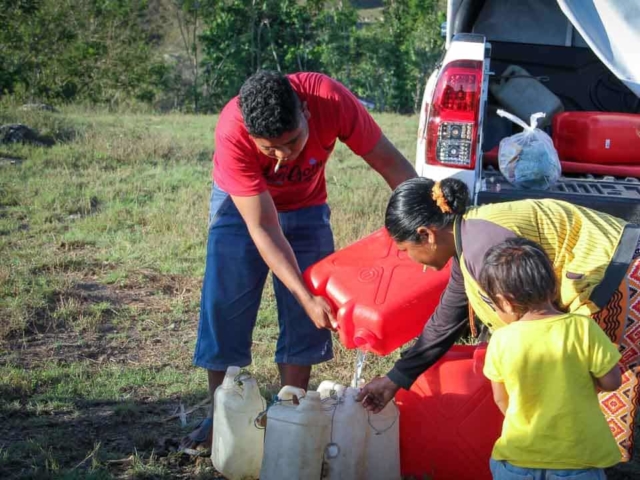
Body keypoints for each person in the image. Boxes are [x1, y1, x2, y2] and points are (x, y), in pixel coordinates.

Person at [182, 70, 416, 449]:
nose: (282, 156)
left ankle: (290, 414)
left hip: (307, 206)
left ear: (305, 111)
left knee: (308, 314)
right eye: (269, 148)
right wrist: (305, 295)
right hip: (242, 210)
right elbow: (263, 228)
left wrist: (425, 219)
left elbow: (391, 164)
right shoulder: (232, 131)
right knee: (226, 306)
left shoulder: (331, 101)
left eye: (292, 141)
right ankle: (220, 420)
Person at [357, 177, 640, 461]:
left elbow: (538, 327)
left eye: (406, 250)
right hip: (612, 269)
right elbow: (445, 321)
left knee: (582, 377)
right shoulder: (466, 240)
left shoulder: (486, 250)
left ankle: (580, 461)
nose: (410, 260)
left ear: (426, 235)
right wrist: (395, 379)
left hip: (617, 273)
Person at [479, 237, 621, 479]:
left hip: (517, 459)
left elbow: (501, 399)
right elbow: (613, 382)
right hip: (579, 459)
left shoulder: (501, 340)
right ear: (554, 286)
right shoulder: (582, 328)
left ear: (505, 302)